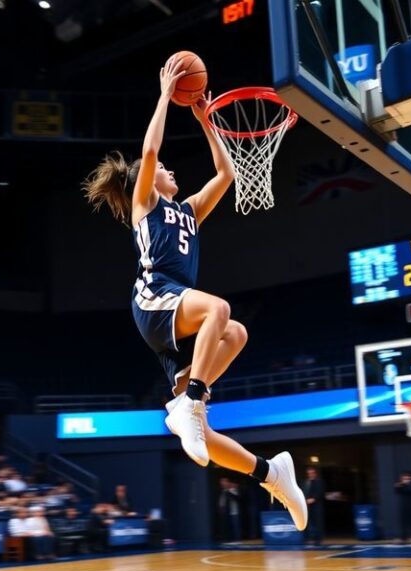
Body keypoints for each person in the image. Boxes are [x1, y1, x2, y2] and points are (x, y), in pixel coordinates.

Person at [82, 57, 306, 531]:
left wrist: (206, 123)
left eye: (165, 168)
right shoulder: (145, 203)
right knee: (219, 310)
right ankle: (192, 402)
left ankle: (270, 473)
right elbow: (148, 152)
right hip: (154, 298)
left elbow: (225, 175)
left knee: (236, 332)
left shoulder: (187, 212)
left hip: (178, 313)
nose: (167, 169)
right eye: (164, 169)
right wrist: (165, 95)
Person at [394, 471, 411, 542]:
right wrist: (398, 486)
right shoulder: (401, 485)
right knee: (403, 522)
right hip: (403, 506)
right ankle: (403, 537)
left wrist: (405, 485)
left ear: (410, 479)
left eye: (407, 478)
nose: (405, 480)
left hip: (410, 506)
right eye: (404, 478)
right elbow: (397, 491)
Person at [303, 466, 324, 545]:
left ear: (315, 473)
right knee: (308, 522)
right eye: (309, 473)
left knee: (318, 523)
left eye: (312, 473)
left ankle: (318, 540)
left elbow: (320, 493)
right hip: (307, 506)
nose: (310, 475)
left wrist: (313, 499)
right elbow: (304, 492)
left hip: (317, 506)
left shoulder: (319, 482)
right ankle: (308, 538)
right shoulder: (306, 482)